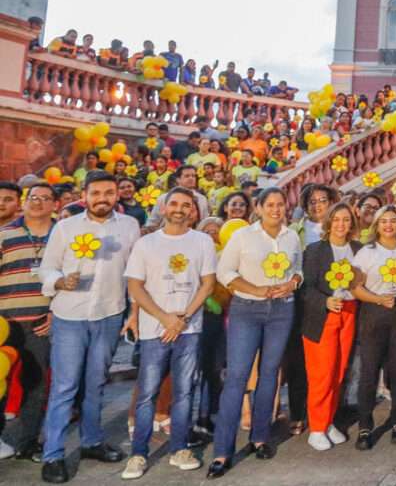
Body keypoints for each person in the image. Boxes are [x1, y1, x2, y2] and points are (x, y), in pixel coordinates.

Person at [37, 171, 141, 484]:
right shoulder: (66, 227)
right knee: (65, 386)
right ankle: (53, 455)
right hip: (70, 316)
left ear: (116, 196)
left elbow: (135, 272)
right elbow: (48, 266)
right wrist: (58, 281)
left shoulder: (129, 226)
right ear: (86, 195)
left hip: (109, 314)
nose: (102, 199)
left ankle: (91, 441)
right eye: (96, 193)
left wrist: (134, 312)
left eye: (109, 193)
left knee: (96, 382)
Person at [120, 188, 217, 479]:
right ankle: (138, 453)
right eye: (173, 203)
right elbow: (135, 286)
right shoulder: (146, 243)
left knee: (184, 390)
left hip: (189, 328)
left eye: (185, 205)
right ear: (163, 208)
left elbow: (208, 284)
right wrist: (165, 318)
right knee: (148, 392)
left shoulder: (202, 241)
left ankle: (179, 448)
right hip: (154, 329)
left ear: (192, 211)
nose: (179, 209)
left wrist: (183, 317)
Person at [208, 188, 303, 479]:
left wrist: (294, 283)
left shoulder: (291, 237)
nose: (276, 209)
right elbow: (225, 272)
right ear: (259, 208)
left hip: (282, 310)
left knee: (270, 373)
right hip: (247, 310)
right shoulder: (243, 236)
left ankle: (260, 437)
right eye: (270, 205)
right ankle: (222, 452)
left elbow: (298, 270)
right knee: (237, 376)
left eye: (281, 205)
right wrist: (256, 290)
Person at [0, 182, 57, 461]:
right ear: (25, 201)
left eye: (45, 198)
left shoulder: (62, 235)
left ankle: (28, 441)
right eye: (33, 197)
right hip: (4, 323)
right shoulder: (4, 234)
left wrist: (55, 312)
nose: (38, 202)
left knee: (35, 384)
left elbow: (70, 278)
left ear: (54, 204)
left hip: (40, 321)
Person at [350, 206, 396, 448]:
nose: (388, 225)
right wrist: (377, 299)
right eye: (383, 221)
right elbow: (355, 287)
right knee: (369, 371)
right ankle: (365, 427)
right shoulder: (366, 253)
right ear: (376, 225)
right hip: (374, 311)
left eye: (393, 221)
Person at [301, 203, 363, 451]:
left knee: (338, 372)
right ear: (328, 223)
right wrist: (325, 301)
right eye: (336, 219)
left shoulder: (358, 249)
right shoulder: (315, 250)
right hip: (323, 315)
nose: (341, 224)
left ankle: (328, 422)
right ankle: (316, 427)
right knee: (322, 374)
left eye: (346, 220)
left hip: (349, 313)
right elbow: (306, 288)